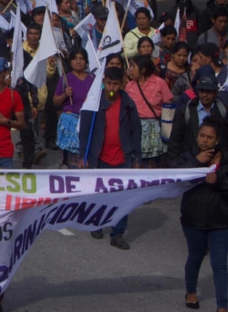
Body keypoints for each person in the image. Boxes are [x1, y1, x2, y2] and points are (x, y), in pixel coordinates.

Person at [172, 118, 228, 312]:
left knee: (219, 263)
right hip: (193, 219)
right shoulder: (189, 157)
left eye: (209, 137)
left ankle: (222, 305)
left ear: (217, 140)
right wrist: (197, 162)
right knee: (195, 257)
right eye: (202, 136)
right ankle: (191, 292)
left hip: (221, 221)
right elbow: (174, 176)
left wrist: (219, 181)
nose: (204, 140)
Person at [78, 66, 142, 250]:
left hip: (123, 157)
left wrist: (137, 158)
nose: (112, 88)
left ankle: (118, 233)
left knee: (123, 197)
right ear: (103, 82)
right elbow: (85, 129)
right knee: (99, 194)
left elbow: (136, 131)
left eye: (115, 84)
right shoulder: (94, 102)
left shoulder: (128, 103)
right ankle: (96, 224)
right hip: (100, 157)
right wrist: (83, 154)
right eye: (108, 83)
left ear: (122, 83)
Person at [124, 55, 173, 167]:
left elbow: (168, 107)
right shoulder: (129, 86)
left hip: (156, 129)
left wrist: (167, 132)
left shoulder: (159, 83)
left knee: (156, 163)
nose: (130, 69)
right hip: (136, 128)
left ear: (143, 69)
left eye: (133, 66)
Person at [53, 48, 94, 167]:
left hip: (87, 121)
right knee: (73, 158)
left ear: (86, 62)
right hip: (71, 122)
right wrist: (65, 94)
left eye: (81, 58)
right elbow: (55, 102)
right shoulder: (65, 79)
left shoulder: (92, 78)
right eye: (75, 58)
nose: (78, 61)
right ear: (70, 62)